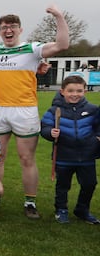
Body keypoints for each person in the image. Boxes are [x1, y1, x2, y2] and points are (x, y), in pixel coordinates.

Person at [0, 5, 69, 219]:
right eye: (4, 27)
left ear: (20, 30)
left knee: (26, 158)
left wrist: (59, 16)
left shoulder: (32, 49)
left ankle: (30, 202)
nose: (8, 30)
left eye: (13, 26)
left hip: (24, 111)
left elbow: (62, 44)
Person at [41, 75, 100, 224]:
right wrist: (50, 132)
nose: (75, 94)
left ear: (85, 91)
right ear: (62, 91)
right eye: (71, 91)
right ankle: (61, 209)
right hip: (63, 155)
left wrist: (97, 138)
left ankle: (82, 210)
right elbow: (44, 127)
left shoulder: (93, 109)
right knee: (63, 186)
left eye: (79, 91)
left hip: (87, 156)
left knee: (89, 184)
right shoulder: (54, 110)